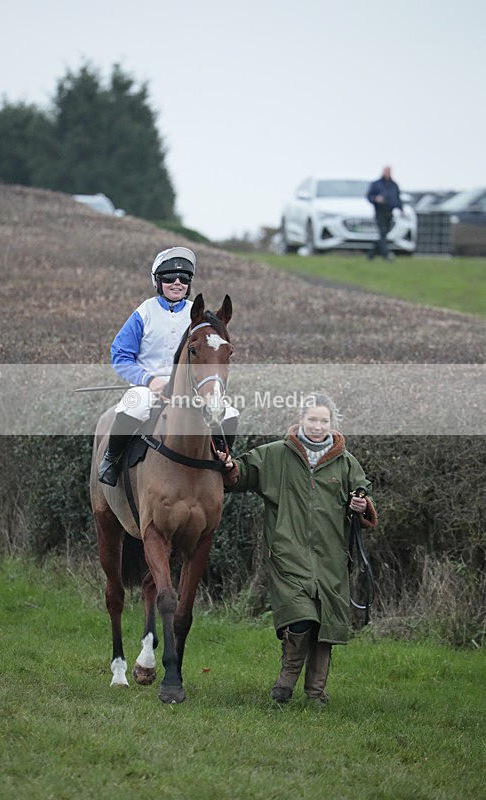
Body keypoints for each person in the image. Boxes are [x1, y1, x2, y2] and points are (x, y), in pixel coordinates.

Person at [220, 392, 377, 704]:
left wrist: (361, 504)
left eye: (324, 421)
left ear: (332, 425)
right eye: (312, 419)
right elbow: (241, 474)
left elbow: (364, 501)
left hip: (331, 558)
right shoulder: (276, 454)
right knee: (301, 617)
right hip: (288, 553)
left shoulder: (346, 463)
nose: (318, 426)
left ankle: (316, 694)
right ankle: (285, 683)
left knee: (326, 626)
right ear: (301, 420)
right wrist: (228, 466)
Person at [98, 246, 238, 486]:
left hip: (189, 388)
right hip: (147, 386)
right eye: (169, 278)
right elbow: (120, 355)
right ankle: (111, 459)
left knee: (230, 413)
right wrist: (150, 381)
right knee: (135, 406)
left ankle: (222, 462)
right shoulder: (144, 312)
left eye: (184, 278)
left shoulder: (199, 317)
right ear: (157, 281)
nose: (177, 283)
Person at [367, 165, 403, 261]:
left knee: (384, 233)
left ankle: (371, 254)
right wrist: (376, 199)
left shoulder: (394, 185)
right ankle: (386, 254)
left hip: (390, 211)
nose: (387, 173)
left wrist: (401, 209)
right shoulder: (376, 184)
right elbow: (369, 196)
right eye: (386, 171)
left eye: (389, 171)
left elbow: (398, 198)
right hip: (380, 211)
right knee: (383, 231)